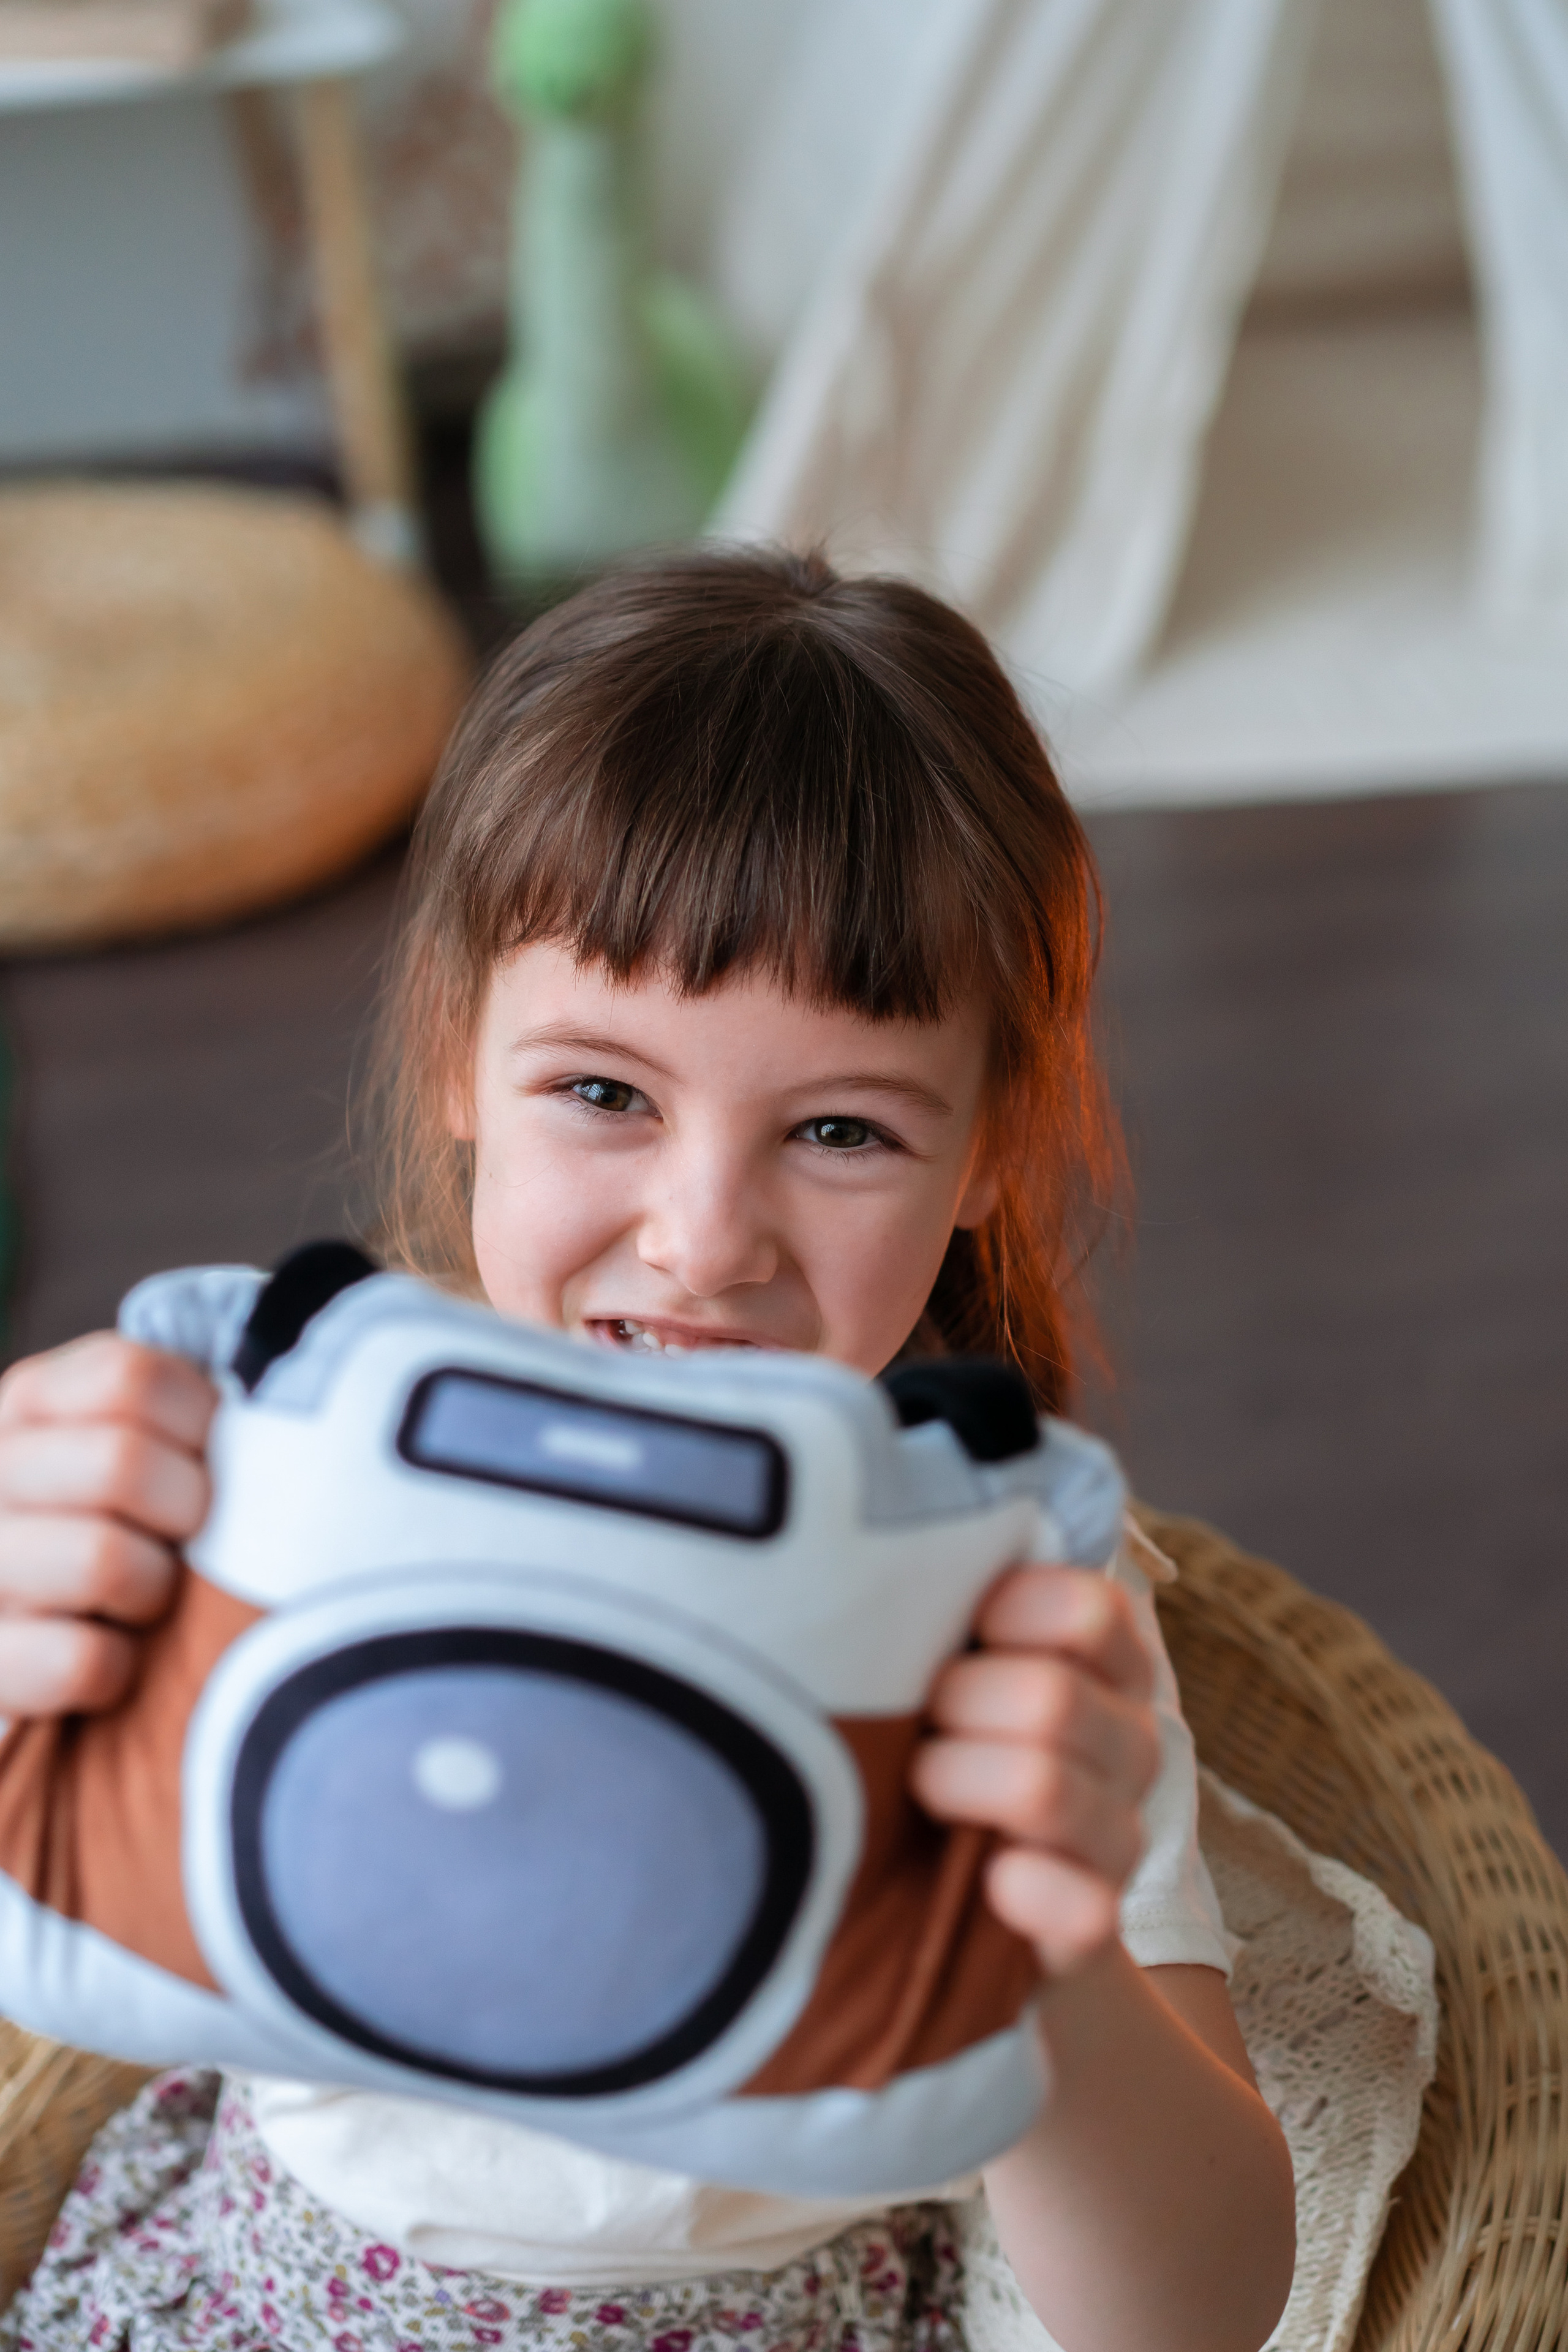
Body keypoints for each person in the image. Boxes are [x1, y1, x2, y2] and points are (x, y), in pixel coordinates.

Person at [0, 550, 1294, 2352]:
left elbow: (1198, 2316)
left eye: (839, 1130)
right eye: (604, 1092)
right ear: (455, 1057)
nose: (702, 1241)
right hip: (254, 2297)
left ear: (991, 1151)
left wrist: (1041, 1953)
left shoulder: (994, 1603)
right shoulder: (297, 1450)